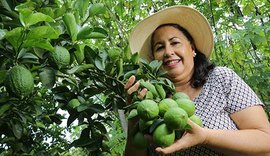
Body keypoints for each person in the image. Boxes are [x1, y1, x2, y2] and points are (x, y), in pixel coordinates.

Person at [123, 5, 270, 156]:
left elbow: (266, 141)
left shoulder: (220, 79)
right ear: (154, 59)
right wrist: (135, 118)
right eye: (160, 47)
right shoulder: (151, 102)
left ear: (192, 48)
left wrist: (206, 137)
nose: (168, 52)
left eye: (175, 42)